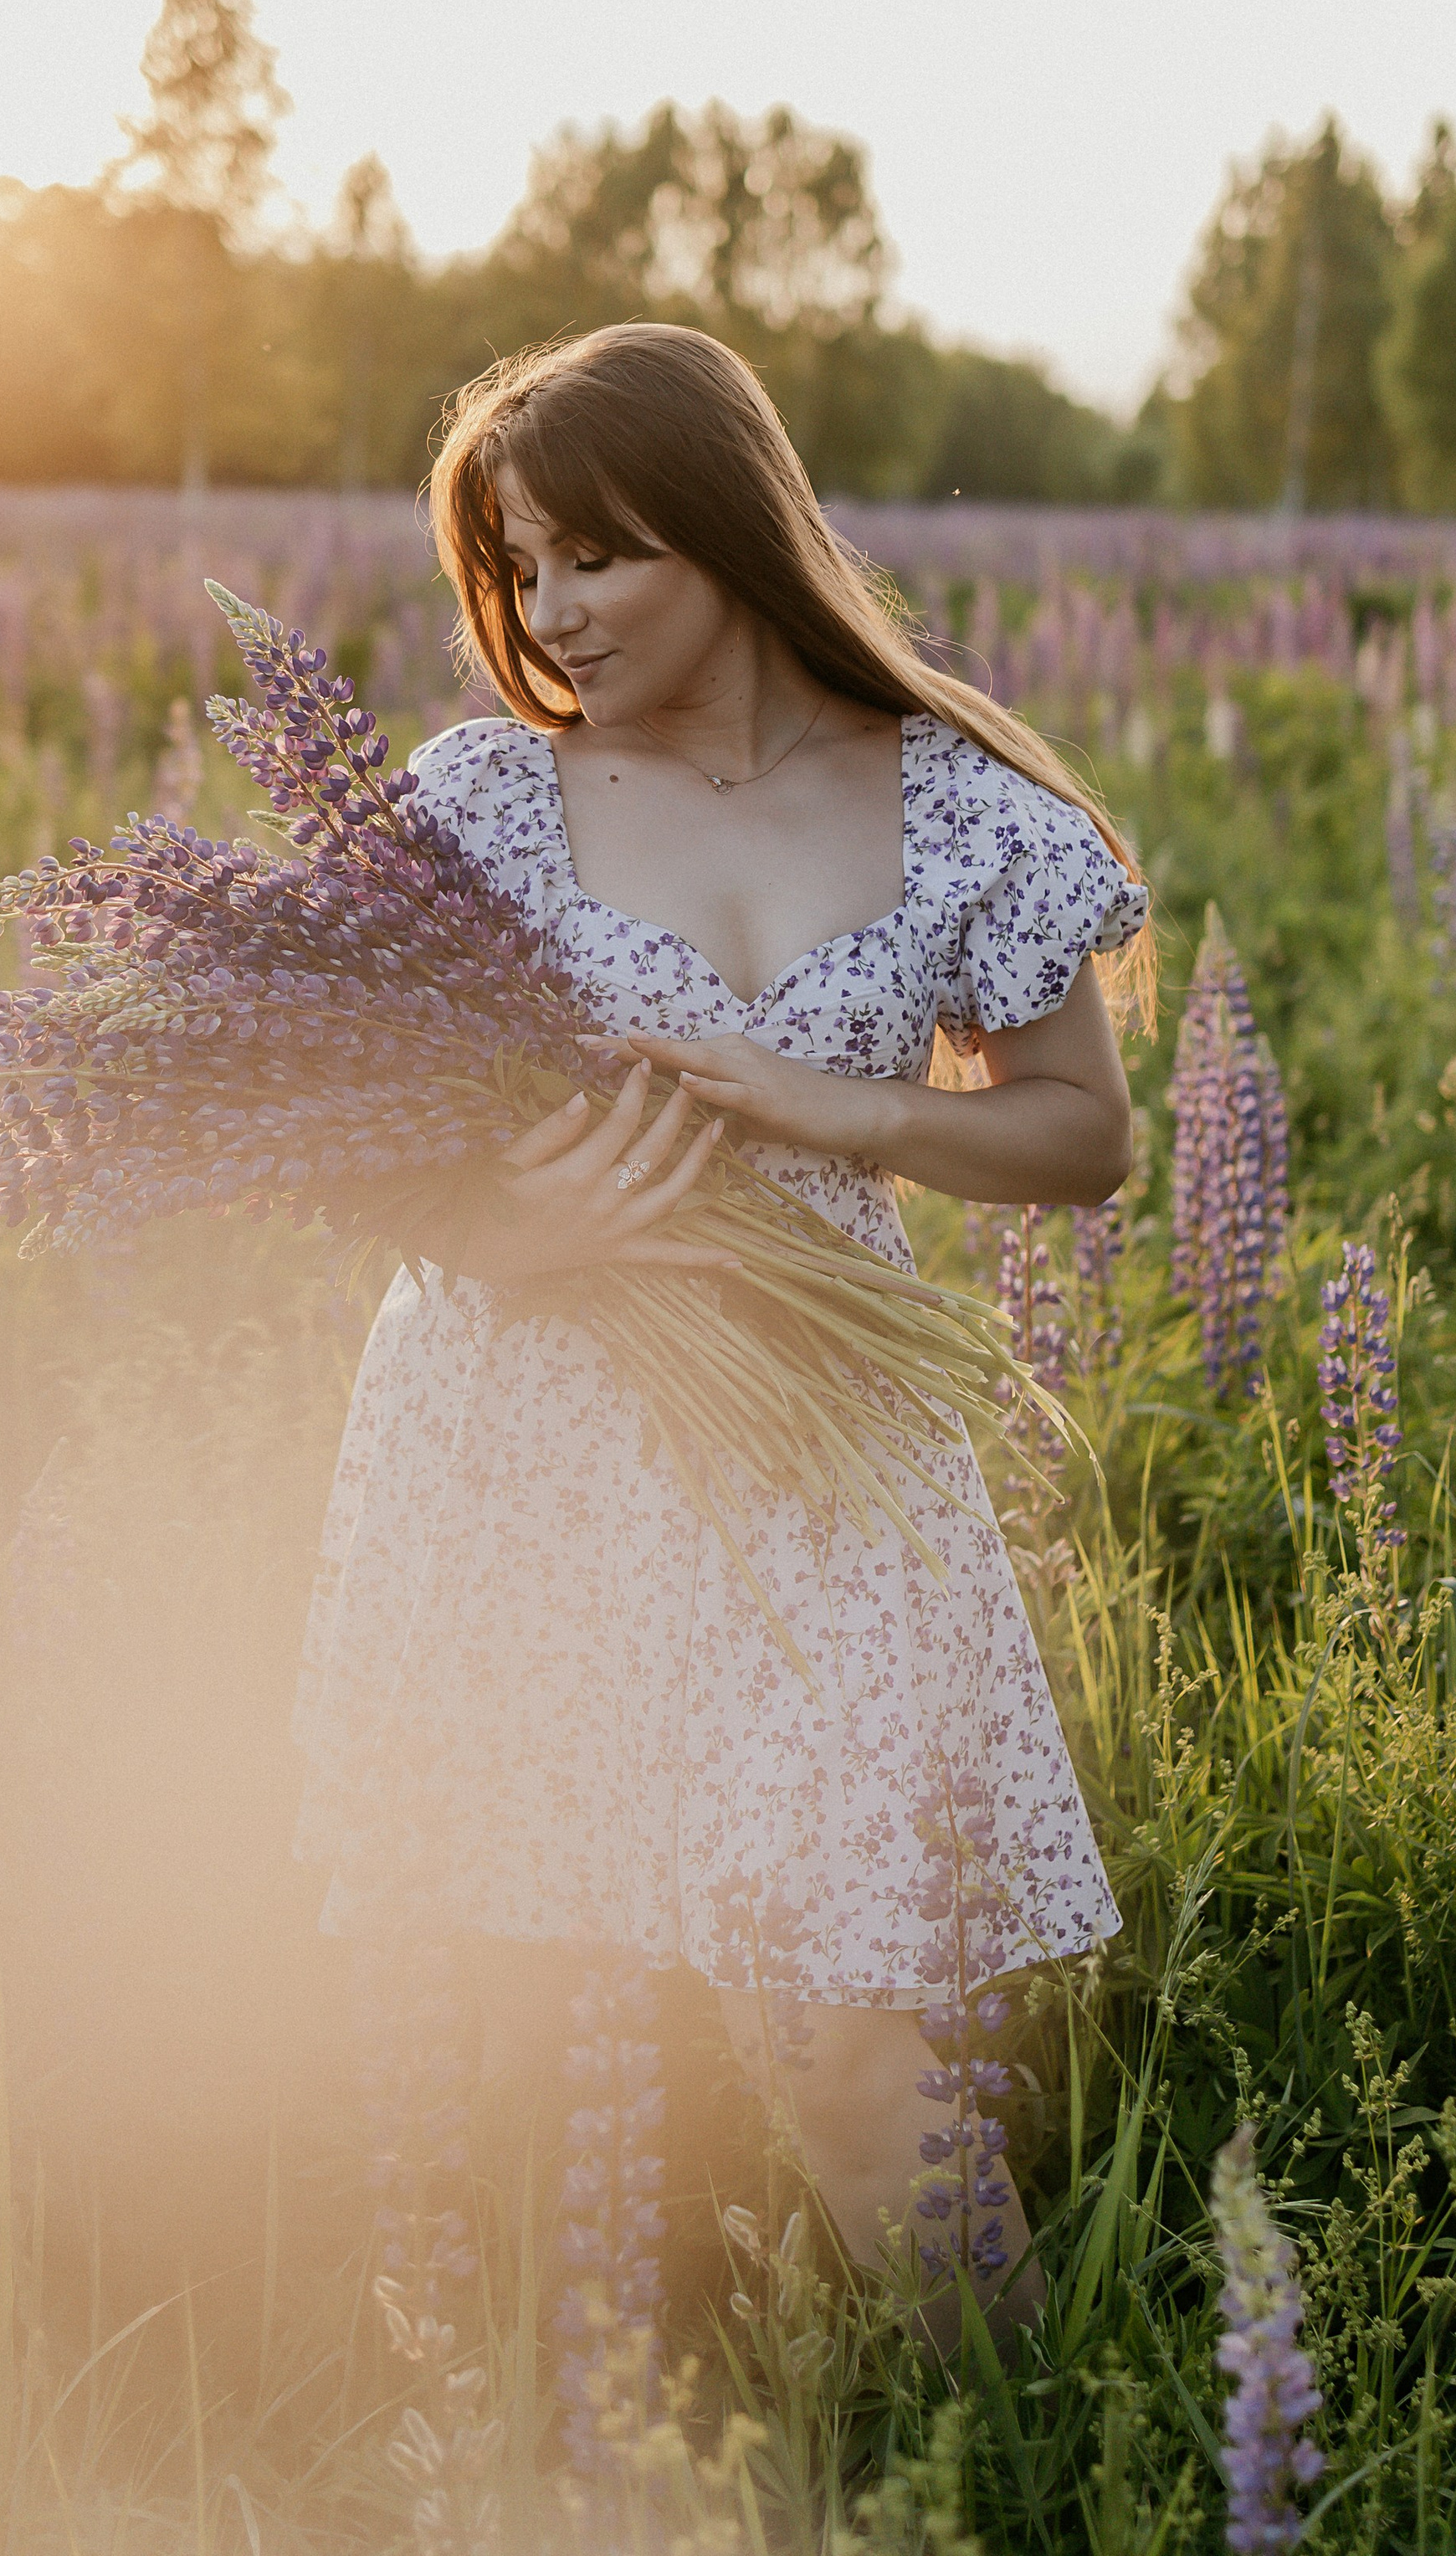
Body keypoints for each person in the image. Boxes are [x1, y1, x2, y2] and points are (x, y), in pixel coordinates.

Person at [294, 321, 1149, 2329]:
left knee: (857, 2039)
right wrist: (501, 1228)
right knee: (531, 2027)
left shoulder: (958, 806)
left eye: (599, 555)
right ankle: (560, 2464)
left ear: (728, 528)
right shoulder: (484, 803)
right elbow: (338, 1135)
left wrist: (841, 1112)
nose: (550, 612)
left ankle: (1038, 2470)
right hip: (522, 1445)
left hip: (819, 1466)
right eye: (515, 568)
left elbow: (1083, 1140)